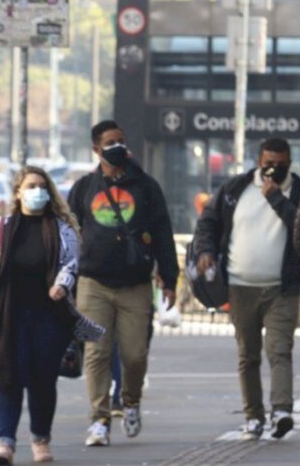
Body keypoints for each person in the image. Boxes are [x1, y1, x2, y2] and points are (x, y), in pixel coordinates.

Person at [67, 120, 177, 447]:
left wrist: (169, 278)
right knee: (96, 352)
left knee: (134, 354)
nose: (118, 146)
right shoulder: (84, 187)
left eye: (121, 140)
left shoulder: (145, 186)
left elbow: (162, 233)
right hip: (93, 283)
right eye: (110, 142)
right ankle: (99, 419)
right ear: (96, 149)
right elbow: (69, 234)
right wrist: (65, 279)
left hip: (136, 285)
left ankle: (130, 401)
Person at [196, 138, 300, 440]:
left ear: (289, 163)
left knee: (280, 350)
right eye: (269, 163)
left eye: (281, 164)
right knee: (248, 355)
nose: (275, 169)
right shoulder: (236, 189)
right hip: (240, 286)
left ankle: (282, 410)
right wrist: (205, 250)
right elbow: (209, 222)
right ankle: (253, 416)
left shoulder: (299, 191)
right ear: (259, 162)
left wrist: (276, 199)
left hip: (281, 288)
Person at [0, 166, 81, 464]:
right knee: (7, 377)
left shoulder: (61, 229)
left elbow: (72, 263)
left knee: (42, 380)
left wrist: (63, 284)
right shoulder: (0, 227)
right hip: (6, 316)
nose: (37, 191)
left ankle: (40, 439)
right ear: (18, 192)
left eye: (42, 185)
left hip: (48, 316)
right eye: (31, 185)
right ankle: (5, 442)